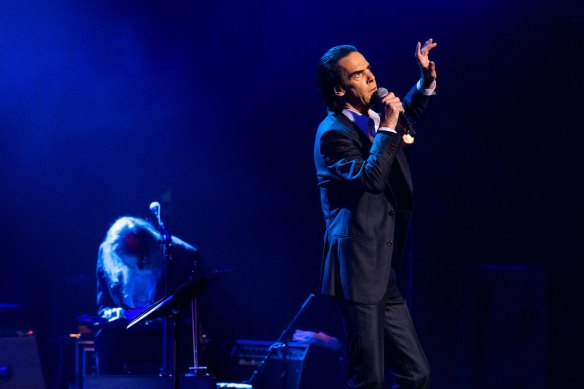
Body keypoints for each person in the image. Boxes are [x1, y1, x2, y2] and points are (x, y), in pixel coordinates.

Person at [313, 39, 438, 388]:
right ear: (339, 89)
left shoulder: (372, 118)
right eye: (358, 74)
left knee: (417, 373)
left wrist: (424, 84)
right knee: (368, 378)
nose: (370, 77)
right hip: (356, 269)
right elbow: (371, 177)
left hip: (382, 269)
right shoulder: (333, 134)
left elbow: (403, 125)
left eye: (368, 68)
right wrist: (388, 124)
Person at [95, 216, 200, 374]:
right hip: (127, 334)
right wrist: (112, 314)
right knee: (106, 339)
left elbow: (191, 310)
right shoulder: (107, 251)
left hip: (165, 332)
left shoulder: (180, 255)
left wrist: (147, 316)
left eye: (140, 263)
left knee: (175, 342)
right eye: (127, 264)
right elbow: (104, 306)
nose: (135, 269)